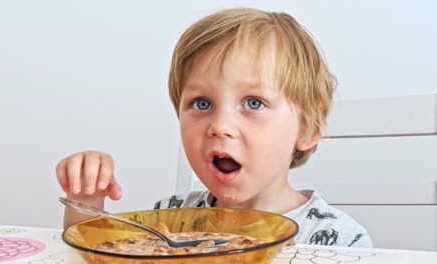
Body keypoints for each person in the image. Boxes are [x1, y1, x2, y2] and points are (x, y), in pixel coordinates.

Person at [56, 7, 372, 247]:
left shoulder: (339, 239)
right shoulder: (170, 217)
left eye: (254, 103)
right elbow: (92, 251)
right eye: (203, 104)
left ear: (306, 129)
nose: (220, 126)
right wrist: (87, 200)